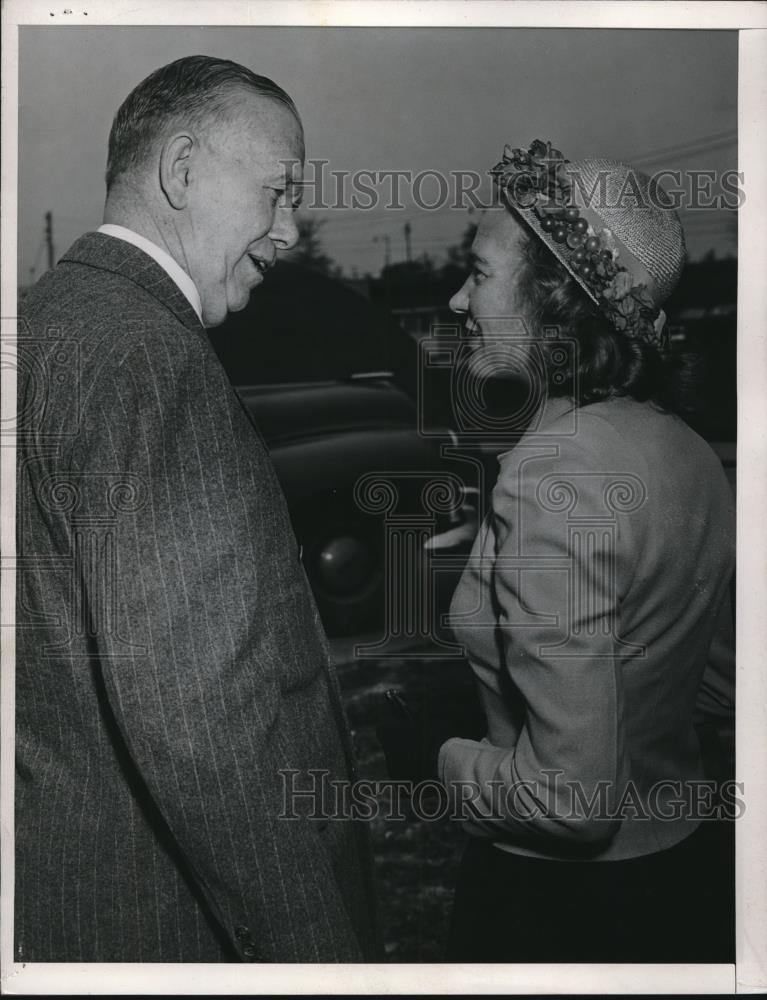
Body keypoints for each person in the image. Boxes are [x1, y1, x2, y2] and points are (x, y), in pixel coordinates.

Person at [16, 55, 379, 963]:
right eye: (277, 191)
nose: (288, 230)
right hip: (159, 924)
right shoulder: (153, 362)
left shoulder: (43, 325)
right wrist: (317, 960)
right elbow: (203, 727)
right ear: (181, 170)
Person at [438, 140, 736, 963]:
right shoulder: (685, 449)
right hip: (683, 879)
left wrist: (444, 754)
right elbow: (719, 682)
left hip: (558, 910)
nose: (458, 299)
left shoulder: (548, 475)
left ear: (556, 302)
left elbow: (571, 800)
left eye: (479, 273)